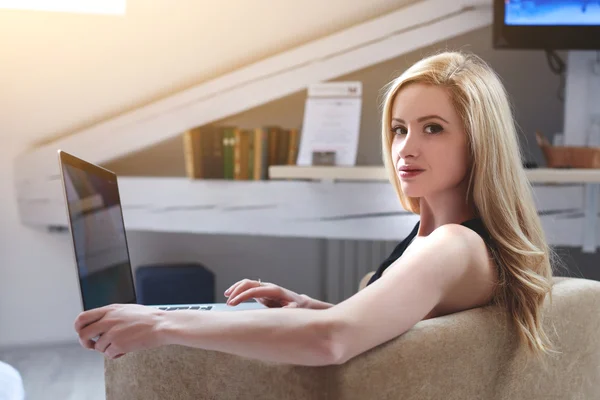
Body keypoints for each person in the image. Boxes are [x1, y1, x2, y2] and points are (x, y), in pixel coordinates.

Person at [74, 51, 562, 366]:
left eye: (432, 128)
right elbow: (410, 338)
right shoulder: (434, 237)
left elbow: (332, 342)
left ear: (479, 142)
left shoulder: (454, 245)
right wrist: (313, 308)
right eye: (399, 128)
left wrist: (160, 323)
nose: (406, 148)